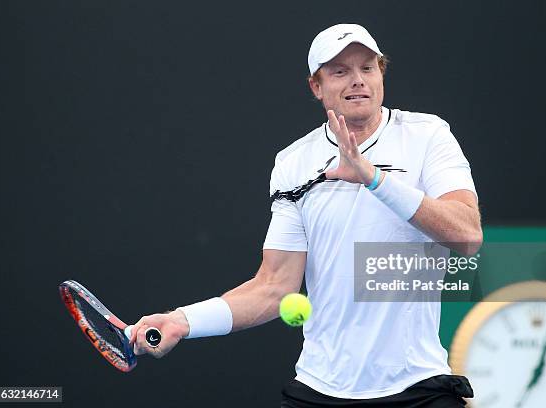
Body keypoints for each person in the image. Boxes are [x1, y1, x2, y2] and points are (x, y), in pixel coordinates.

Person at [131, 23, 482, 407]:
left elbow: (466, 235)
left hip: (419, 387)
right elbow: (273, 286)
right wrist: (183, 321)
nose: (357, 81)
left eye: (368, 68)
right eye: (340, 72)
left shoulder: (428, 135)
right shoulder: (294, 162)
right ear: (316, 86)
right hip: (320, 390)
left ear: (381, 73)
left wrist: (373, 178)